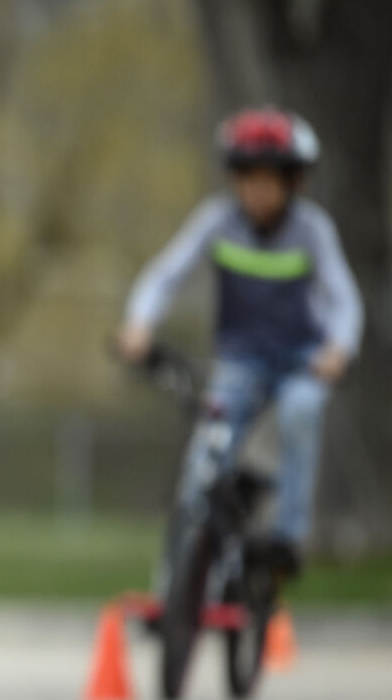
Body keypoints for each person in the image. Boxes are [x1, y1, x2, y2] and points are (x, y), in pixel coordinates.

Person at [116, 108, 361, 577]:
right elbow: (165, 276)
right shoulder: (218, 222)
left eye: (270, 180)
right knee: (206, 453)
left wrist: (338, 348)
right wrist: (139, 323)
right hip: (241, 361)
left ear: (293, 183)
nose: (258, 191)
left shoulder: (312, 231)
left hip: (301, 362)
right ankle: (176, 582)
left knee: (300, 413)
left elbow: (344, 301)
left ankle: (287, 539)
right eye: (248, 179)